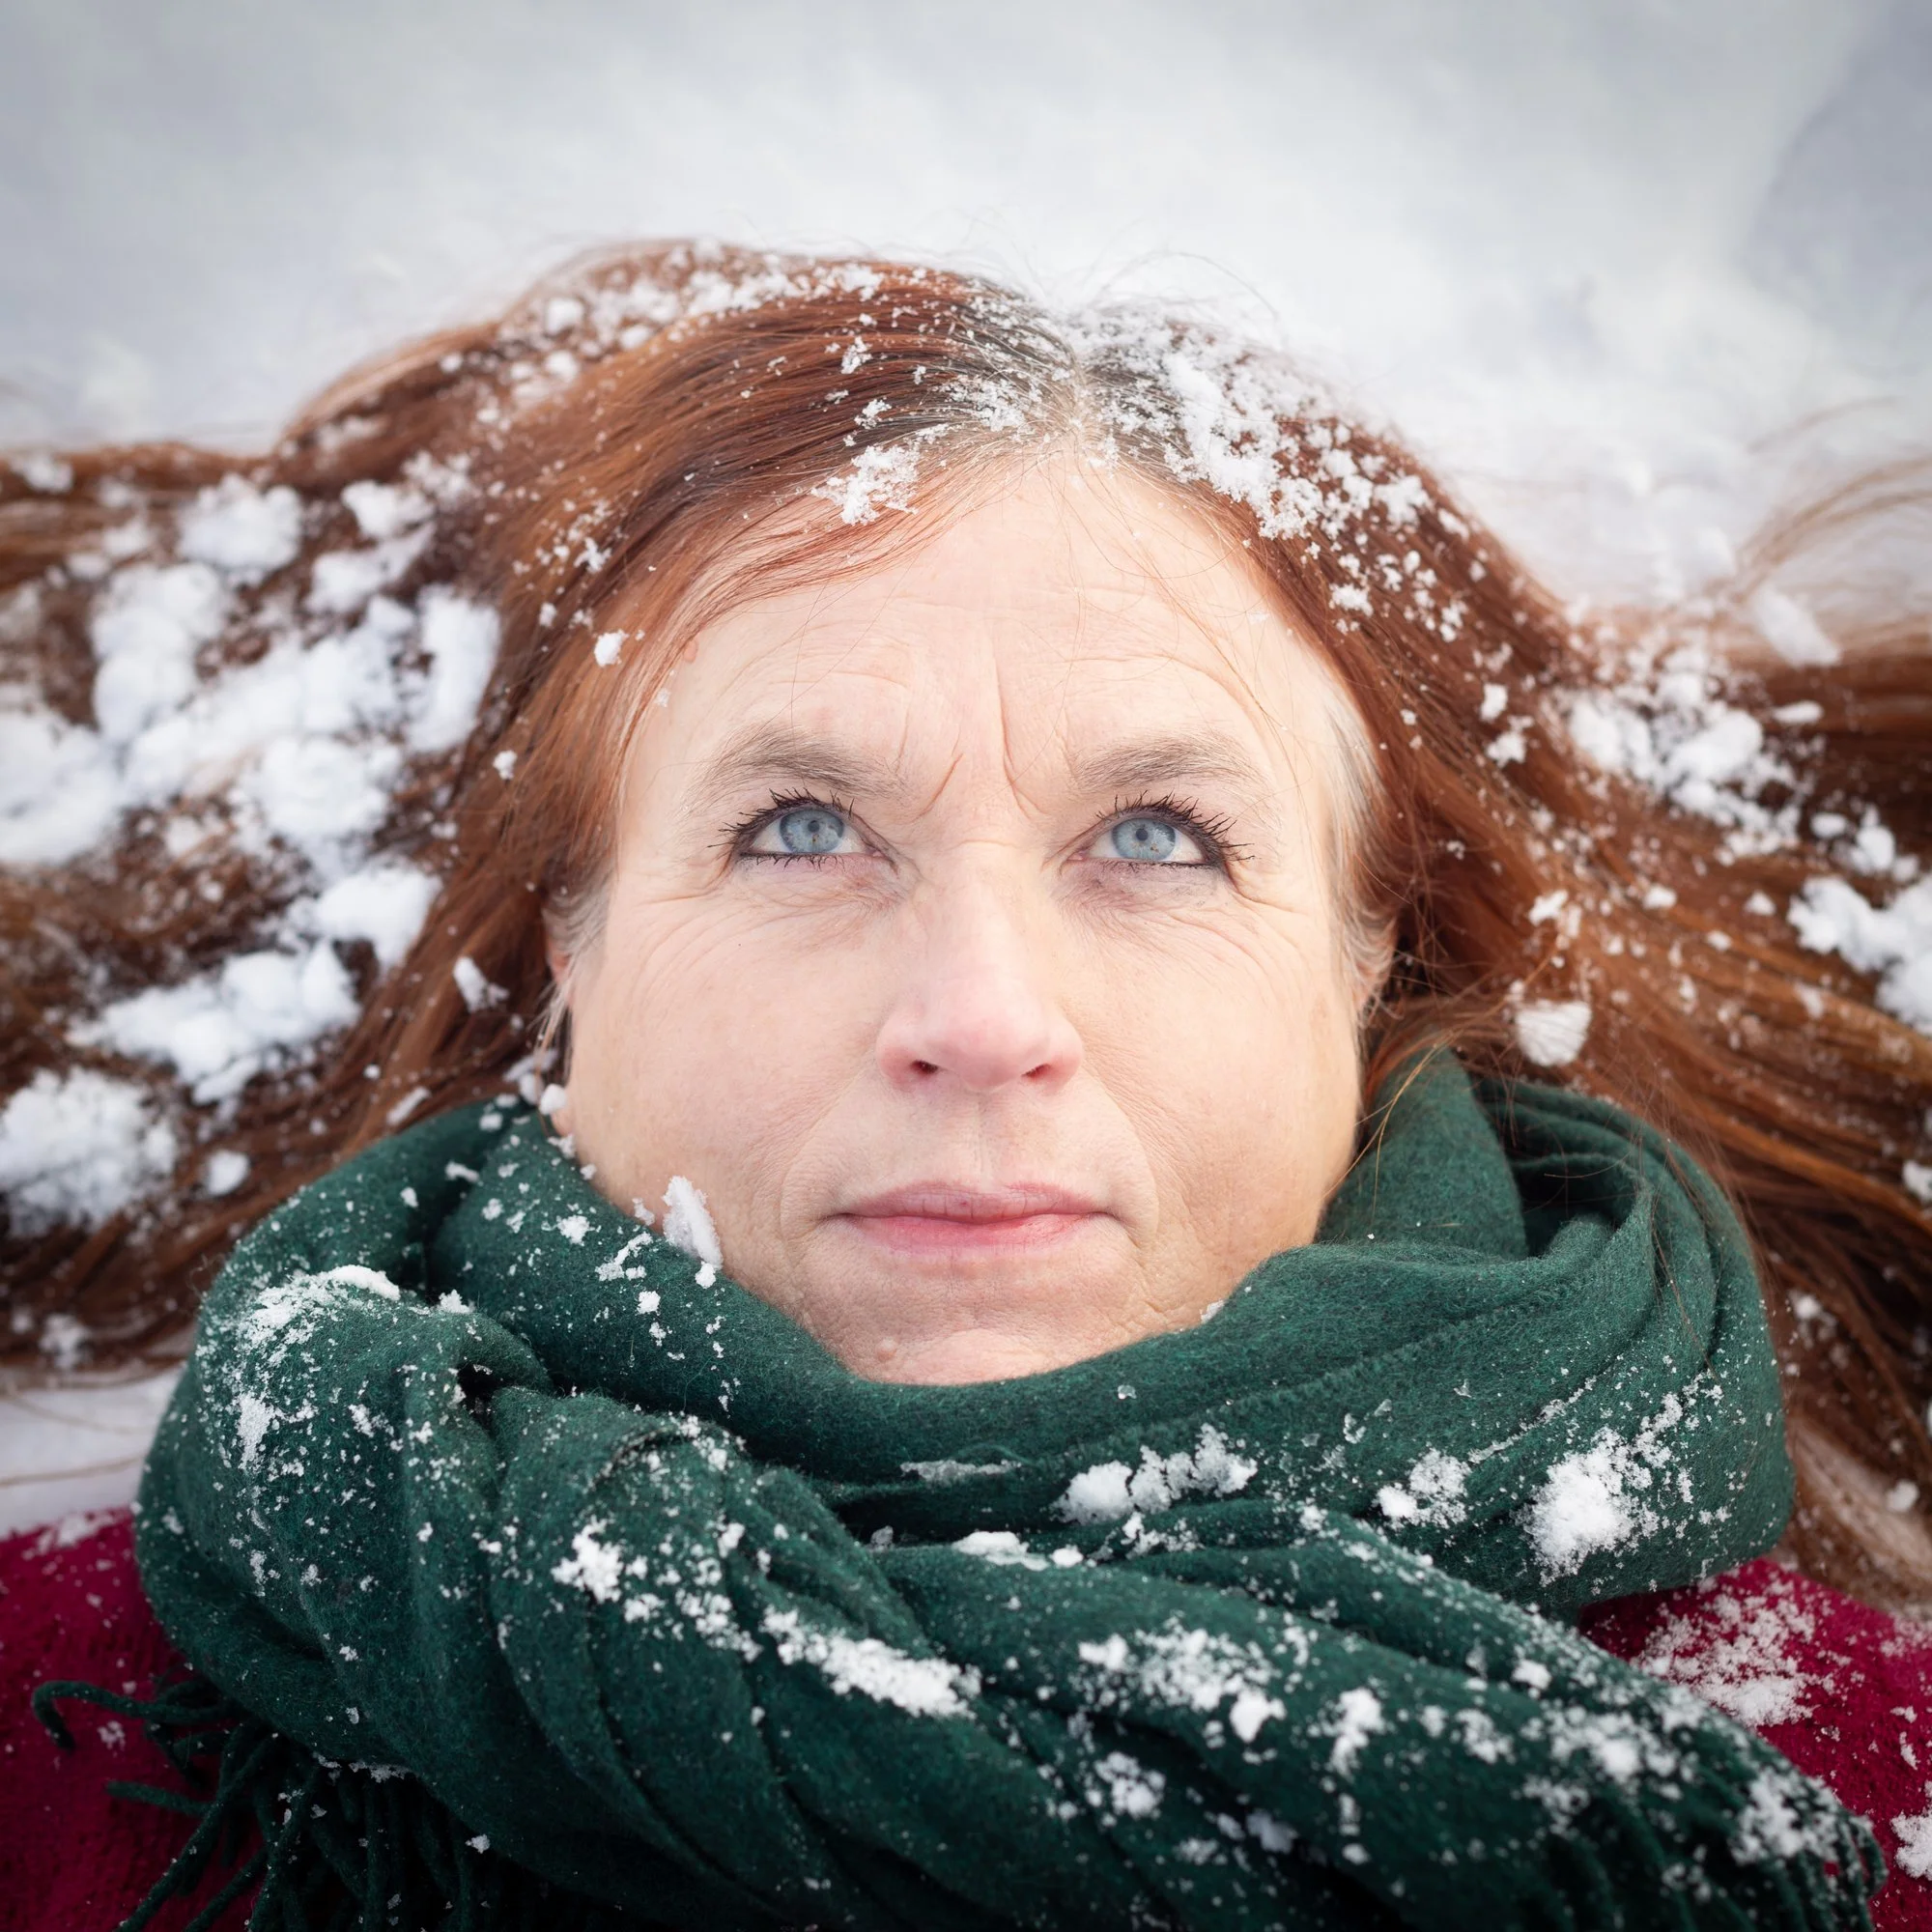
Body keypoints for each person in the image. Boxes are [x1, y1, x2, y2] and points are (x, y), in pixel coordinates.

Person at [2, 242, 1929, 1929]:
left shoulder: (1837, 1801)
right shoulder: (63, 1711)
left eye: (1159, 836)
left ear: (1367, 960)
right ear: (566, 944)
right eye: (802, 825)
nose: (981, 1012)